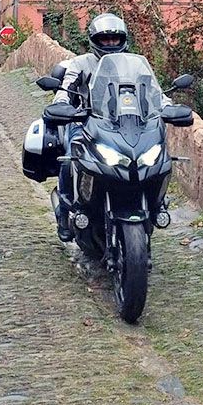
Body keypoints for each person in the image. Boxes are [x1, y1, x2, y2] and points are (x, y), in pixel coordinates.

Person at [50, 13, 130, 239]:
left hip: (124, 125)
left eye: (114, 39)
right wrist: (62, 105)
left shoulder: (132, 64)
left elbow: (153, 91)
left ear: (123, 40)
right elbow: (66, 88)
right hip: (85, 123)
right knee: (70, 158)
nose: (110, 44)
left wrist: (167, 106)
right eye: (105, 39)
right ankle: (65, 211)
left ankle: (153, 205)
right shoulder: (81, 63)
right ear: (95, 40)